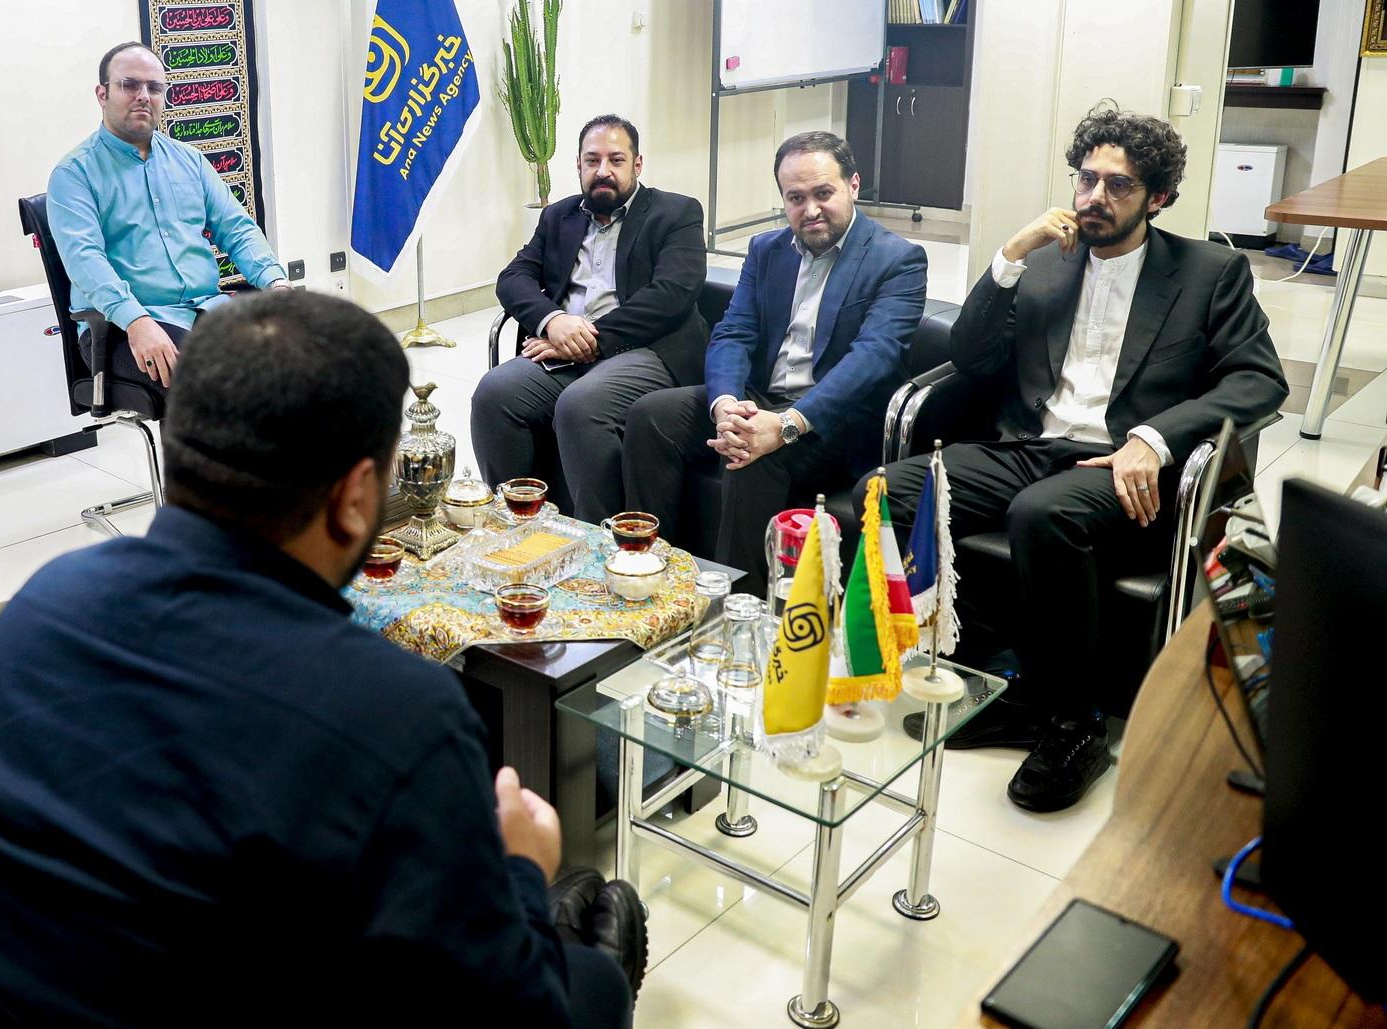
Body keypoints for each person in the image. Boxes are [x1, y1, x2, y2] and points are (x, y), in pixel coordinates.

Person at [0, 291, 643, 1027]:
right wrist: (522, 867)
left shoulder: (41, 605)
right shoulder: (399, 715)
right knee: (592, 980)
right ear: (357, 496)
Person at [877, 105, 1284, 813]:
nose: (1095, 197)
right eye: (1086, 179)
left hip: (1122, 464)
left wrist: (1154, 438)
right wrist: (1010, 256)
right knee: (889, 490)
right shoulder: (1045, 264)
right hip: (1029, 446)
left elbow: (1258, 379)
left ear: (1157, 197)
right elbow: (970, 358)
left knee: (1042, 514)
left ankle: (1076, 722)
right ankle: (1005, 678)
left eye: (1118, 185)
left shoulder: (1210, 272)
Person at [622, 133, 926, 592]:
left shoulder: (897, 259)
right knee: (652, 416)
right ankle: (656, 576)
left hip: (834, 418)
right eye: (796, 198)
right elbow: (734, 332)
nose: (811, 210)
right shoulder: (767, 250)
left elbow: (874, 357)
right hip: (761, 397)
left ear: (853, 185)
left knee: (751, 457)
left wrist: (786, 425)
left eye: (823, 193)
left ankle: (737, 610)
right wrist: (726, 405)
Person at [472, 114, 706, 522]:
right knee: (494, 394)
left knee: (581, 405)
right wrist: (553, 321)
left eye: (616, 160)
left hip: (645, 349)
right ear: (578, 165)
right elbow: (513, 277)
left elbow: (672, 295)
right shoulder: (559, 216)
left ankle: (597, 541)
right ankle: (517, 525)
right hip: (564, 347)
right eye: (592, 160)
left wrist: (590, 338)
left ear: (637, 164)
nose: (603, 171)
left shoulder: (676, 213)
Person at [47, 39, 289, 392]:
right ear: (102, 94)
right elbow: (85, 260)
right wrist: (136, 320)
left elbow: (237, 229)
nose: (143, 96)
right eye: (129, 85)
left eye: (154, 87)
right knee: (222, 381)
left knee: (301, 356)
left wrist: (276, 284)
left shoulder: (189, 161)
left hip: (205, 311)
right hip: (122, 326)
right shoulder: (74, 174)